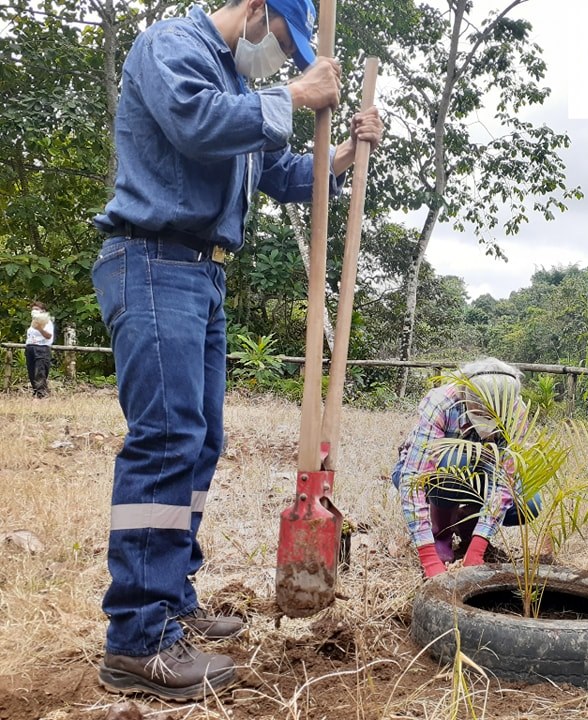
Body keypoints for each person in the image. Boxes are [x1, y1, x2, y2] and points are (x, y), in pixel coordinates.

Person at [90, 0, 383, 701]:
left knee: (199, 442)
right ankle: (136, 639)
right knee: (166, 439)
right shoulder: (172, 46)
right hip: (153, 260)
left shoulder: (235, 81)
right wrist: (294, 96)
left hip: (201, 274)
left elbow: (281, 174)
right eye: (283, 38)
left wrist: (345, 153)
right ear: (255, 7)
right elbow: (197, 125)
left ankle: (170, 600)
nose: (281, 56)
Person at [392, 358, 542, 578]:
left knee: (530, 503)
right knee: (455, 461)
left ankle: (468, 523)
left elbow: (504, 481)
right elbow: (413, 478)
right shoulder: (442, 403)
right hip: (438, 475)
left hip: (485, 477)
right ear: (466, 394)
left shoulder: (515, 410)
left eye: (494, 415)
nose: (488, 421)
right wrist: (428, 558)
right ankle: (441, 534)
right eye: (481, 412)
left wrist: (478, 547)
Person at [25, 301, 54, 398]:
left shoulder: (47, 322)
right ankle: (36, 392)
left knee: (40, 371)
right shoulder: (33, 322)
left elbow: (49, 336)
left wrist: (40, 329)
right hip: (30, 348)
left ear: (43, 311)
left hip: (41, 348)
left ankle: (42, 394)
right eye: (33, 309)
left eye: (37, 309)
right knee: (32, 372)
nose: (34, 311)